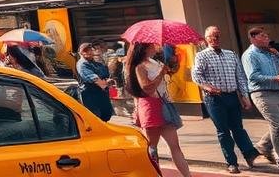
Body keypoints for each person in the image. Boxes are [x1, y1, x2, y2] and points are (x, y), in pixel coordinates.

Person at [192, 26, 261, 173]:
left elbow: (240, 77)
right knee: (223, 131)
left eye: (217, 36)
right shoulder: (201, 56)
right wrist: (207, 87)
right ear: (206, 38)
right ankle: (231, 162)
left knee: (238, 128)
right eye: (211, 36)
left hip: (231, 96)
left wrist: (244, 96)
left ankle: (250, 155)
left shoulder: (231, 54)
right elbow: (196, 75)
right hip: (214, 98)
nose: (214, 39)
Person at [127, 41, 191, 177]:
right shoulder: (140, 66)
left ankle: (187, 176)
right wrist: (161, 73)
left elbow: (169, 74)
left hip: (164, 104)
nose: (156, 47)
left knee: (175, 146)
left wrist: (172, 65)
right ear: (145, 48)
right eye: (152, 45)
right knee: (151, 148)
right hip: (150, 106)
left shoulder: (155, 62)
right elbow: (146, 87)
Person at [243, 27, 279, 165]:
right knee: (278, 123)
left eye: (267, 35)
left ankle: (264, 146)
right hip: (262, 94)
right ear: (253, 38)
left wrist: (278, 54)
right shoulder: (250, 55)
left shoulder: (271, 53)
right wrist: (275, 78)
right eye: (263, 36)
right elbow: (253, 76)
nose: (267, 37)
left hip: (277, 92)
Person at [76, 43, 115, 122]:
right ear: (81, 53)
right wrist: (106, 82)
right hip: (91, 95)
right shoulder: (83, 64)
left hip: (101, 94)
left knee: (106, 115)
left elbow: (107, 74)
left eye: (90, 50)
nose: (89, 52)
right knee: (96, 118)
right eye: (85, 51)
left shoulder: (96, 63)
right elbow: (98, 81)